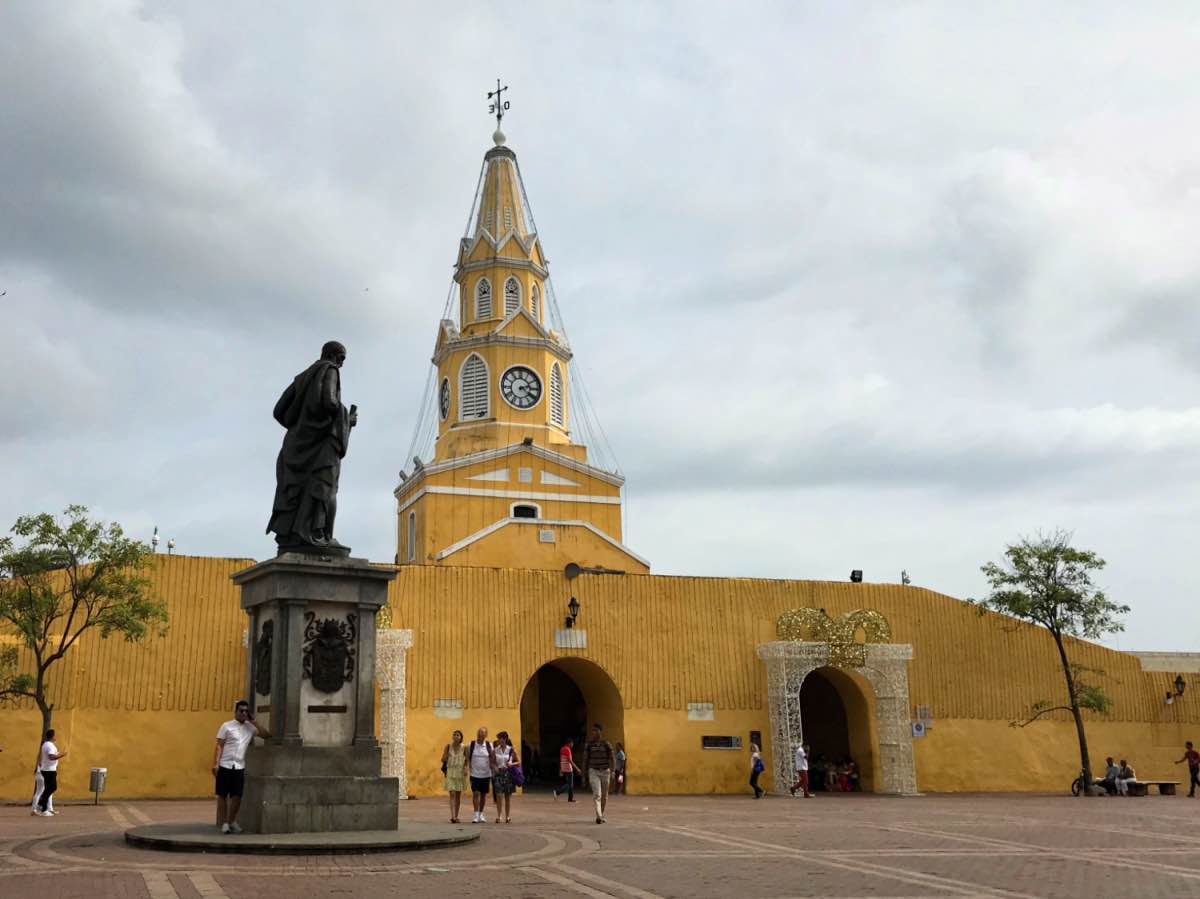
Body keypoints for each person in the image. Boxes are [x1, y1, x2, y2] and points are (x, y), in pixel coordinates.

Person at [266, 341, 358, 551]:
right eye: (341, 358)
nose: (342, 364)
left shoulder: (301, 378)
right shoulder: (330, 369)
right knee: (327, 488)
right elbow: (329, 402)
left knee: (298, 490)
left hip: (295, 445)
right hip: (322, 445)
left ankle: (294, 536)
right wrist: (347, 419)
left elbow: (278, 410)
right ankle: (322, 536)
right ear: (333, 356)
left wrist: (300, 425)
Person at [212, 700, 270, 834]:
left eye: (246, 711)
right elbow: (219, 745)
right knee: (222, 795)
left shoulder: (250, 728)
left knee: (237, 796)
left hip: (239, 766)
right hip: (225, 764)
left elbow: (266, 735)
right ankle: (225, 823)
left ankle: (232, 820)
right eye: (241, 711)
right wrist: (216, 763)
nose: (243, 713)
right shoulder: (226, 726)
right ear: (236, 712)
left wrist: (254, 721)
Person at [584, 723, 615, 824]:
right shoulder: (589, 745)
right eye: (593, 731)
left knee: (604, 796)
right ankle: (599, 816)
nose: (594, 732)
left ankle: (601, 814)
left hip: (605, 771)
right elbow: (585, 759)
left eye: (596, 730)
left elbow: (612, 758)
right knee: (597, 794)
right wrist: (583, 775)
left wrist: (613, 771)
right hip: (593, 771)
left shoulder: (606, 744)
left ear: (600, 732)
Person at [466, 727, 496, 824]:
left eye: (483, 733)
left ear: (486, 735)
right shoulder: (471, 744)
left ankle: (481, 814)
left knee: (483, 795)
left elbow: (492, 758)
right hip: (474, 774)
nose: (481, 734)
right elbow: (467, 758)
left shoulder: (489, 745)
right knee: (476, 793)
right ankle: (475, 814)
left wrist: (494, 767)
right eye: (479, 732)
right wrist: (467, 768)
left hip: (486, 774)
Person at [35, 729, 66, 817]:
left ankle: (41, 805)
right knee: (51, 788)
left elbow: (51, 755)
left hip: (47, 769)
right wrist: (62, 755)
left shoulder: (47, 744)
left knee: (49, 789)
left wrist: (58, 753)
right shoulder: (49, 745)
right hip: (49, 770)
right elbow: (51, 757)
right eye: (55, 735)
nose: (56, 737)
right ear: (52, 736)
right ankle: (42, 808)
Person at [441, 729, 468, 823]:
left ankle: (456, 815)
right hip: (451, 770)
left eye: (458, 735)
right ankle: (452, 816)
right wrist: (447, 756)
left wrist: (466, 768)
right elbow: (442, 759)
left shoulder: (464, 747)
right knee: (452, 793)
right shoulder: (448, 746)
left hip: (460, 772)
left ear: (461, 737)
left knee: (458, 795)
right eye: (454, 735)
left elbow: (467, 760)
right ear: (452, 737)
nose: (456, 736)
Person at [491, 731, 518, 823]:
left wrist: (511, 763)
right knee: (499, 795)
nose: (499, 740)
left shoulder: (511, 749)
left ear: (505, 739)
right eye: (498, 738)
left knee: (507, 796)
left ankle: (508, 816)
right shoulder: (495, 750)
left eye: (500, 738)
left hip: (508, 774)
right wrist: (494, 767)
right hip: (499, 773)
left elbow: (518, 762)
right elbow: (492, 762)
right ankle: (499, 816)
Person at [553, 737, 581, 802]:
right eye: (572, 743)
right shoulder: (567, 749)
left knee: (570, 784)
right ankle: (557, 792)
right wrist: (577, 768)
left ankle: (570, 799)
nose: (572, 745)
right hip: (568, 768)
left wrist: (560, 769)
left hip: (564, 768)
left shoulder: (562, 749)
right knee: (569, 785)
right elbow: (570, 760)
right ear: (569, 743)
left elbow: (561, 759)